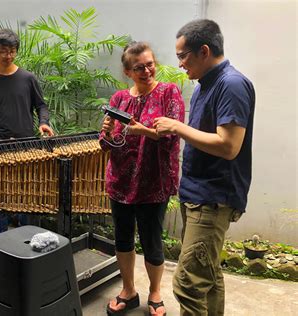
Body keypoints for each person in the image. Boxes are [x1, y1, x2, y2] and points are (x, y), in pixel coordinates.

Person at [154, 19, 255, 315]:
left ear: (204, 51)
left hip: (213, 196)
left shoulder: (232, 84)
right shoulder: (204, 85)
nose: (181, 64)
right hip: (197, 194)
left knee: (188, 283)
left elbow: (228, 145)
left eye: (182, 56)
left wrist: (177, 126)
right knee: (207, 276)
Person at [100, 41, 185, 316]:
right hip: (120, 182)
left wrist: (141, 131)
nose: (147, 70)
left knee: (152, 240)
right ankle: (128, 290)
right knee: (123, 238)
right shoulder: (118, 99)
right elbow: (105, 144)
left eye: (150, 64)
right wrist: (109, 133)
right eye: (139, 67)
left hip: (153, 183)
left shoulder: (168, 93)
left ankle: (156, 292)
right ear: (128, 72)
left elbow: (173, 135)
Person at [0, 29, 54, 234]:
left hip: (27, 145)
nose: (8, 55)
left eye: (12, 51)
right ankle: (0, 237)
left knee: (25, 192)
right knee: (0, 194)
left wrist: (44, 122)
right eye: (3, 51)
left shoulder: (28, 78)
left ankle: (25, 235)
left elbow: (41, 106)